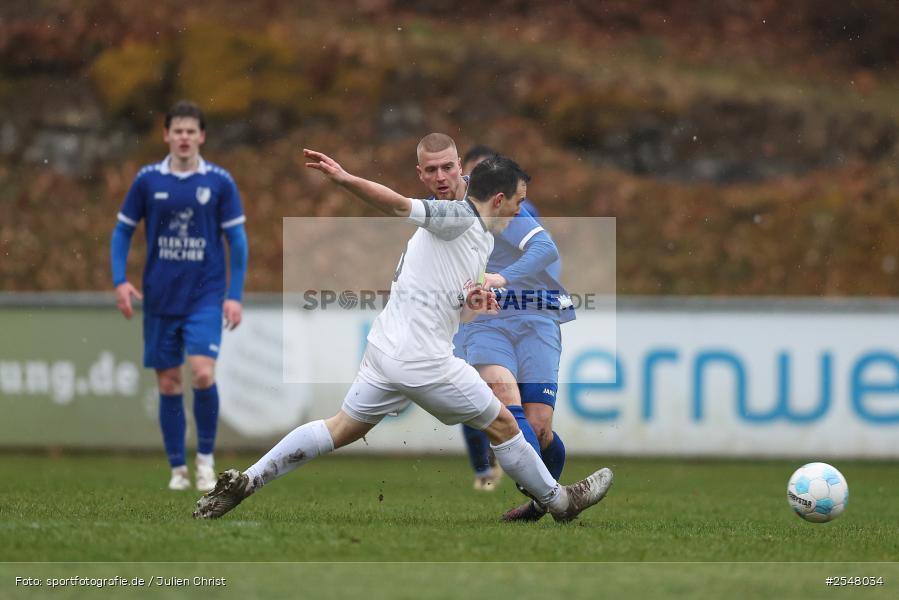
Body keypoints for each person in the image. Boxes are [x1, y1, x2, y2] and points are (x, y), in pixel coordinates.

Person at [193, 149, 613, 522]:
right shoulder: (458, 218)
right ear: (499, 200)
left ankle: (247, 481)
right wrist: (345, 178)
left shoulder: (478, 234)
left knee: (341, 428)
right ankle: (560, 502)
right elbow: (397, 204)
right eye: (519, 203)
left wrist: (473, 294)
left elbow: (447, 282)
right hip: (423, 359)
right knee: (504, 425)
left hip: (384, 350)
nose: (521, 210)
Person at [419, 136, 574, 522]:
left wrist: (502, 280)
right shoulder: (435, 214)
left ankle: (541, 504)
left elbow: (545, 252)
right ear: (421, 173)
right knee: (503, 402)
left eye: (449, 169)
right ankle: (556, 497)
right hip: (484, 322)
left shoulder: (502, 205)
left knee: (538, 429)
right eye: (433, 170)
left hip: (533, 315)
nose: (444, 177)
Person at [110, 100, 248, 492]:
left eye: (192, 131)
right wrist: (120, 280)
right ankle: (177, 469)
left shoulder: (219, 182)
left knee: (203, 373)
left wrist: (234, 294)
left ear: (201, 136)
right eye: (178, 131)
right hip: (160, 297)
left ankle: (205, 460)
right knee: (169, 383)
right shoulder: (148, 180)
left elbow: (236, 241)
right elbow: (122, 231)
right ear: (166, 134)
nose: (184, 137)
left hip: (205, 295)